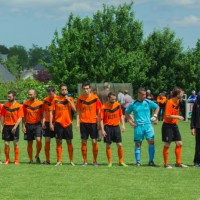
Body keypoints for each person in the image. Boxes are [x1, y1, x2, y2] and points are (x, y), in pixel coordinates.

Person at [125, 87, 159, 167]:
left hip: (148, 125)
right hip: (138, 126)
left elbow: (157, 107)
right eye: (143, 94)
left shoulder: (147, 102)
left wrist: (155, 115)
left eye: (145, 94)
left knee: (151, 141)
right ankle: (138, 162)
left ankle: (151, 161)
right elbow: (126, 113)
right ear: (139, 94)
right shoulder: (133, 104)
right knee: (138, 143)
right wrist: (130, 122)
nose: (145, 96)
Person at [50, 84, 76, 166]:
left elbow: (75, 110)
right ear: (60, 90)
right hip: (58, 123)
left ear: (67, 90)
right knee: (58, 142)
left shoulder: (70, 99)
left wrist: (69, 101)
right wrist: (51, 123)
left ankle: (71, 160)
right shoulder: (55, 99)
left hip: (68, 123)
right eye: (62, 89)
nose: (64, 91)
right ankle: (59, 161)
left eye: (65, 89)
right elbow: (51, 112)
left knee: (69, 141)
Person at [76, 81, 101, 166]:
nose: (86, 90)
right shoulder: (80, 99)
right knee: (84, 141)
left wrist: (99, 122)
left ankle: (94, 161)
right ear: (82, 89)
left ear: (90, 89)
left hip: (93, 123)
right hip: (83, 123)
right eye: (84, 89)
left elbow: (99, 111)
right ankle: (85, 161)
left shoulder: (95, 98)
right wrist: (77, 123)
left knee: (94, 141)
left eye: (87, 88)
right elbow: (78, 112)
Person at [162, 87, 188, 168]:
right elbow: (167, 115)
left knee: (179, 143)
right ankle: (166, 164)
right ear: (177, 94)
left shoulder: (178, 101)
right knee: (167, 144)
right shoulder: (169, 102)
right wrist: (178, 117)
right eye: (181, 93)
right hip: (167, 126)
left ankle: (178, 163)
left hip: (174, 126)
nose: (182, 94)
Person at [100, 92, 127, 167]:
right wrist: (102, 130)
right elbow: (101, 119)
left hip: (116, 127)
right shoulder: (104, 107)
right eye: (112, 99)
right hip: (107, 127)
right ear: (108, 98)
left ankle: (121, 161)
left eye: (115, 99)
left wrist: (123, 125)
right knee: (108, 145)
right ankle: (110, 162)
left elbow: (121, 115)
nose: (114, 100)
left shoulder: (117, 105)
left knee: (119, 144)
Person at [1, 91, 24, 164]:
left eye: (10, 97)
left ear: (14, 97)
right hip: (6, 126)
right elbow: (2, 116)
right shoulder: (5, 105)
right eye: (8, 97)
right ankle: (7, 160)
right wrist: (2, 126)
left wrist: (15, 127)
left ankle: (16, 160)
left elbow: (20, 117)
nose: (8, 98)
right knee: (6, 143)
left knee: (15, 143)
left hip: (15, 126)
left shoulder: (19, 106)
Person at [22, 89, 43, 164]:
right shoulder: (25, 104)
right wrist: (23, 126)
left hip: (37, 124)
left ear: (35, 94)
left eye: (31, 94)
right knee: (29, 143)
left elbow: (43, 115)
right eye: (29, 94)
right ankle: (30, 160)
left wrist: (43, 123)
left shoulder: (40, 104)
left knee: (38, 140)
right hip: (28, 125)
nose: (29, 96)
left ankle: (37, 155)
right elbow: (23, 115)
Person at [42, 86, 56, 164]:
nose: (50, 95)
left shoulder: (57, 100)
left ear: (54, 92)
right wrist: (43, 121)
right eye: (48, 94)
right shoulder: (45, 100)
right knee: (47, 140)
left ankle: (59, 160)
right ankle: (47, 160)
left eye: (51, 94)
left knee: (58, 141)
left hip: (56, 122)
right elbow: (44, 111)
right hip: (47, 122)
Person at [191, 92, 200, 167]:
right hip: (198, 126)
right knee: (198, 145)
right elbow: (193, 116)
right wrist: (192, 127)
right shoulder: (196, 102)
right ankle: (196, 161)